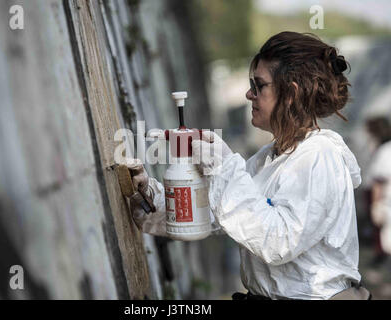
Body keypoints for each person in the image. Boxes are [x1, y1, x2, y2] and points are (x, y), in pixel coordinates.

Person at [125, 31, 370, 300]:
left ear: (291, 93)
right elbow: (216, 214)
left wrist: (224, 168)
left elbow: (277, 241)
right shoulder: (269, 158)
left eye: (259, 85)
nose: (248, 94)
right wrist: (150, 195)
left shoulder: (320, 157)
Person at [365, 117, 391, 264]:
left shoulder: (386, 150)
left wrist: (375, 204)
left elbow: (378, 181)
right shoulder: (385, 149)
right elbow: (378, 180)